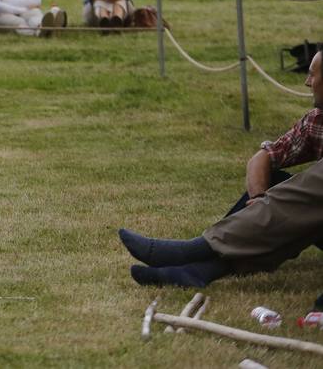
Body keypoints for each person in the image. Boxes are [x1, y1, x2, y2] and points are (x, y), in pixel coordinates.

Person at [119, 50, 323, 288]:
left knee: (298, 212)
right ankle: (200, 270)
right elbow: (263, 158)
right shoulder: (317, 120)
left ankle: (193, 251)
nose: (306, 82)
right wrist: (259, 201)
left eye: (311, 75)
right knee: (274, 184)